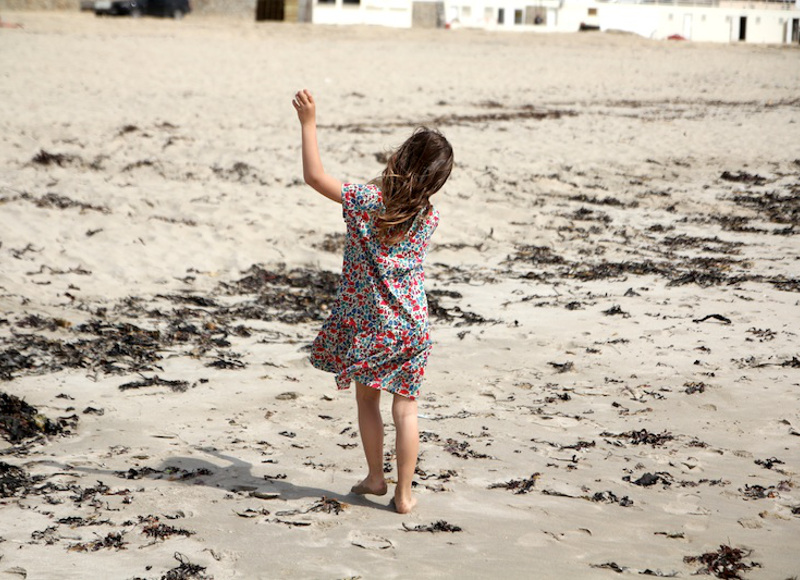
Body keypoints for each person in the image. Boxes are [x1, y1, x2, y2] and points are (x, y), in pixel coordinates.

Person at [292, 89, 453, 514]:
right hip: (413, 324)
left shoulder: (367, 201)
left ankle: (375, 477)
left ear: (399, 159)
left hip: (372, 325)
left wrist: (309, 123)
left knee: (368, 400)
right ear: (436, 181)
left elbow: (314, 177)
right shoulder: (429, 216)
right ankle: (404, 494)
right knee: (407, 407)